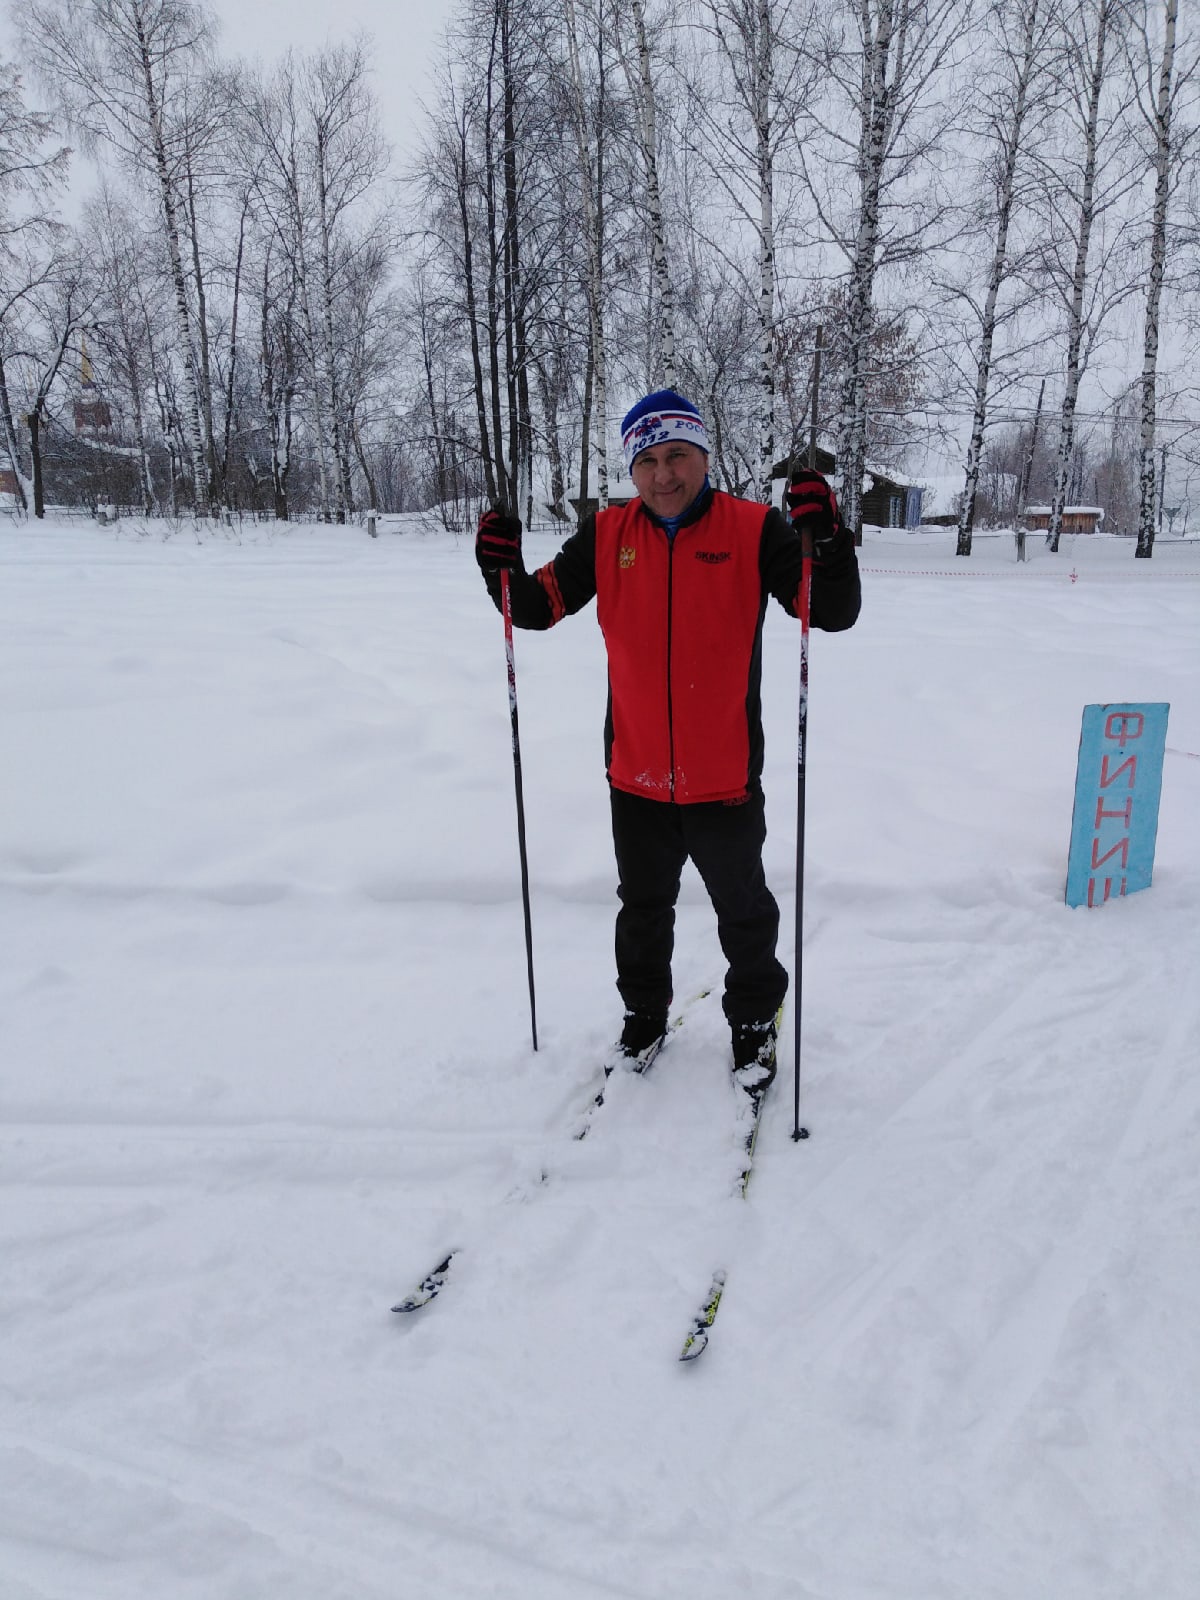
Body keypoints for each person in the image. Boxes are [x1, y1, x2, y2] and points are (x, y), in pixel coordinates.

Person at [476, 388, 861, 1092]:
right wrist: (496, 567)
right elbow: (533, 607)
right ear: (632, 469)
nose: (663, 475)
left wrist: (829, 542)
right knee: (642, 910)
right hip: (637, 774)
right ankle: (644, 1017)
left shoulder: (753, 530)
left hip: (725, 779)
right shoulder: (607, 535)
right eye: (647, 460)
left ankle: (752, 1023)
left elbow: (829, 611)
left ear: (703, 455)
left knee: (743, 911)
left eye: (677, 455)